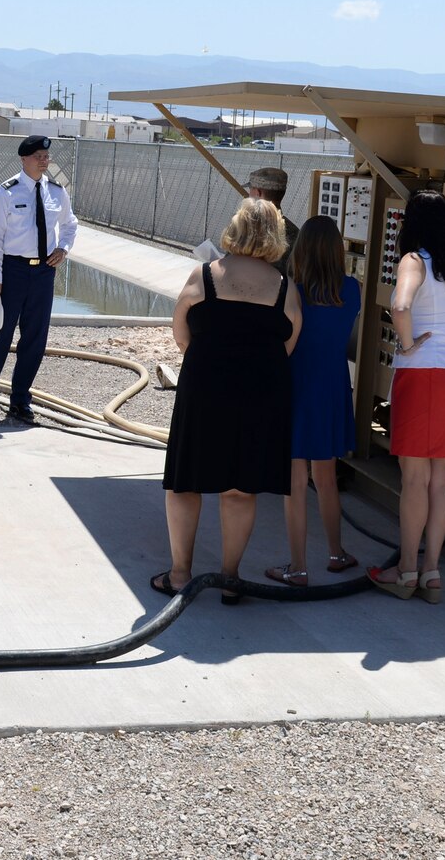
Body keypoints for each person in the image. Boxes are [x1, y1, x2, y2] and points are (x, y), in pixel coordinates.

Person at [155, 198, 301, 603]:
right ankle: (230, 579)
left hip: (205, 386)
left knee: (186, 482)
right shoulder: (284, 288)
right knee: (240, 489)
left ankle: (180, 574)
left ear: (235, 229)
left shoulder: (204, 275)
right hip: (261, 393)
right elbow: (289, 342)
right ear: (277, 236)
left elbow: (181, 333)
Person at [370, 189, 445, 605]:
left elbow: (400, 306)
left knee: (413, 478)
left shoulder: (414, 261)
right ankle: (432, 571)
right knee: (440, 478)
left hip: (421, 374)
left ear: (411, 224)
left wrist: (407, 344)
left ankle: (406, 572)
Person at [264, 216, 361, 587]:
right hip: (333, 388)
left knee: (294, 480)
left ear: (300, 249)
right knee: (326, 478)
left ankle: (298, 566)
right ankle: (336, 553)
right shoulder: (351, 290)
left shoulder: (291, 290)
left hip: (296, 386)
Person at [0, 136, 76, 426]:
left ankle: (20, 400)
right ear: (24, 159)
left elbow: (70, 224)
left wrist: (63, 248)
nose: (44, 161)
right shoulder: (6, 192)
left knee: (35, 338)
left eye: (46, 156)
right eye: (38, 156)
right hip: (13, 271)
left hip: (43, 272)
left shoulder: (56, 192)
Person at [246, 168, 302, 276]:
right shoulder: (296, 234)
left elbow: (229, 266)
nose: (249, 194)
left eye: (250, 189)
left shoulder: (246, 227)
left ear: (258, 193)